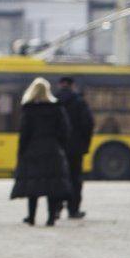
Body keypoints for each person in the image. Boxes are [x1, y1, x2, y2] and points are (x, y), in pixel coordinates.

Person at [10, 77, 72, 226]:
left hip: (33, 150)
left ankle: (31, 217)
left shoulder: (29, 109)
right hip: (52, 150)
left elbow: (24, 133)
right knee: (52, 186)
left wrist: (21, 152)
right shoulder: (57, 108)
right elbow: (65, 130)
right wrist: (60, 147)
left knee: (33, 186)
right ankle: (51, 218)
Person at [55, 76, 95, 220]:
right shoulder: (80, 102)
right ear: (73, 86)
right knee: (75, 178)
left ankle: (56, 209)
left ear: (60, 85)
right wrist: (84, 144)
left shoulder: (53, 101)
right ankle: (73, 210)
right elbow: (88, 124)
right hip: (75, 148)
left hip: (57, 147)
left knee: (58, 177)